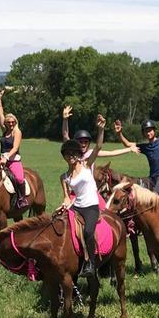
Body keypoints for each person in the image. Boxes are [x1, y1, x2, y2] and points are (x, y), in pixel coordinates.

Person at [57, 115, 106, 277]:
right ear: (64, 156)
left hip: (91, 206)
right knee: (58, 226)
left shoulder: (86, 164)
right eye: (67, 153)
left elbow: (98, 146)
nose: (70, 156)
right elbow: (66, 197)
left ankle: (91, 264)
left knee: (88, 232)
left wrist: (100, 129)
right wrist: (64, 205)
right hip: (76, 206)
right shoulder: (64, 177)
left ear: (78, 154)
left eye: (73, 153)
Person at [113, 107, 159, 194]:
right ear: (143, 134)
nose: (148, 133)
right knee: (137, 189)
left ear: (154, 130)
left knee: (154, 195)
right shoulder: (145, 147)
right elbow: (127, 144)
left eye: (150, 130)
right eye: (146, 131)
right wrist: (119, 133)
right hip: (151, 178)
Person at [0, 89, 29, 209]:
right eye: (8, 122)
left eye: (12, 122)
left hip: (13, 160)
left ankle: (22, 198)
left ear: (15, 122)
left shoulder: (17, 132)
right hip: (2, 159)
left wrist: (7, 157)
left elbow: (15, 148)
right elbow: (0, 114)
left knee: (19, 178)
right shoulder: (5, 131)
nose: (10, 124)